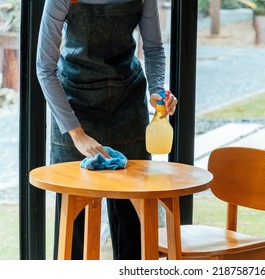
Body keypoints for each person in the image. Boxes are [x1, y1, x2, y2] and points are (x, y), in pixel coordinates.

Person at [36, 0, 177, 260]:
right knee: (74, 223)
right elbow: (45, 69)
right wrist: (77, 134)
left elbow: (155, 50)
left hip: (127, 103)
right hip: (75, 106)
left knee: (132, 219)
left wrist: (157, 91)